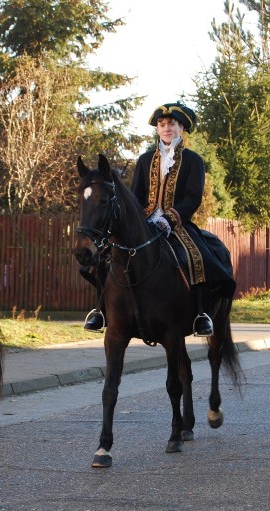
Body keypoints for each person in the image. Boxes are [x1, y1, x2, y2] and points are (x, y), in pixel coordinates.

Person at [84, 102, 235, 337]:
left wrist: (171, 218)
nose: (166, 129)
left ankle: (201, 314)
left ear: (181, 128)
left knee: (197, 257)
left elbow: (194, 197)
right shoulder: (145, 160)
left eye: (171, 124)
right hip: (144, 224)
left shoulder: (193, 160)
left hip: (177, 225)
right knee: (106, 257)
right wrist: (137, 220)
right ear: (157, 130)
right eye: (162, 125)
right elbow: (135, 196)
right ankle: (100, 310)